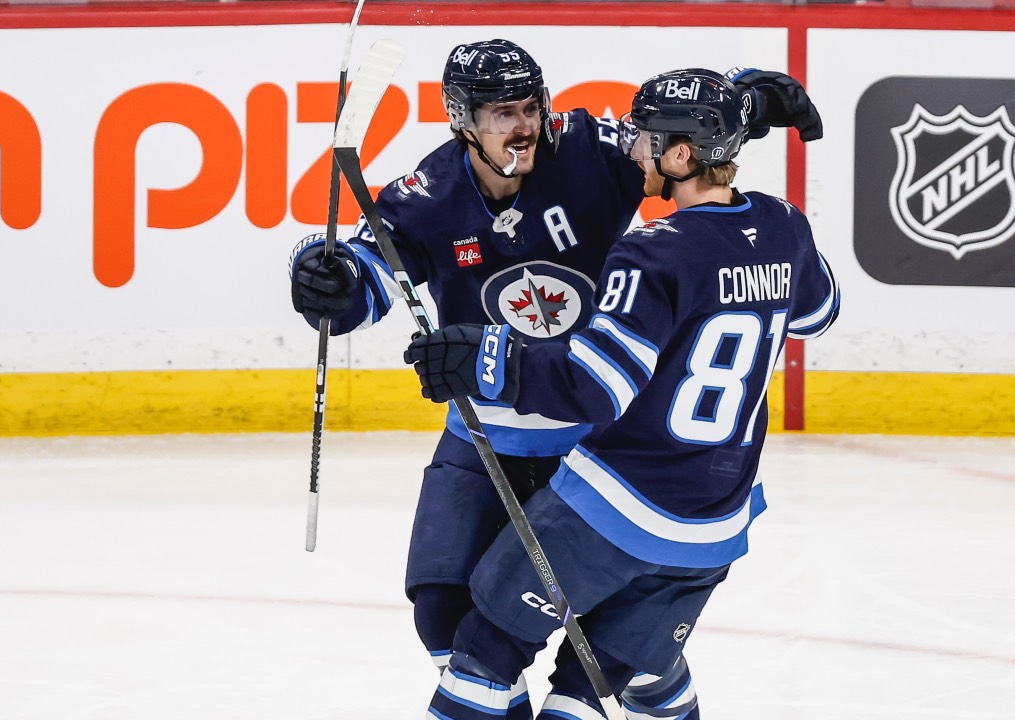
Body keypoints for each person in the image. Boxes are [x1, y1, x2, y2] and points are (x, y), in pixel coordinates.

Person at [288, 39, 821, 715]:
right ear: (463, 120)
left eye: (530, 107)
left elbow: (678, 138)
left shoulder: (591, 150)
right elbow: (361, 278)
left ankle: (654, 673)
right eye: (502, 113)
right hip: (489, 440)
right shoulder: (430, 196)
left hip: (592, 444)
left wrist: (740, 97)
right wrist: (323, 275)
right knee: (447, 619)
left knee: (613, 656)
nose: (524, 125)